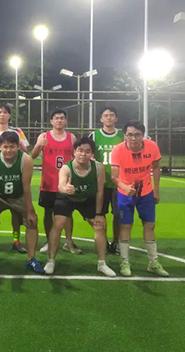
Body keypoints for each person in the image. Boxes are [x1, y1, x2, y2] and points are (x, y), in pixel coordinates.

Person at [43, 137, 116, 277]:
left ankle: (102, 263)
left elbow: (100, 192)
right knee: (58, 223)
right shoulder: (66, 168)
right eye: (80, 150)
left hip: (87, 198)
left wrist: (99, 214)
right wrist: (66, 189)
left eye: (87, 151)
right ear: (74, 152)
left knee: (100, 225)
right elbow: (60, 185)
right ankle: (51, 260)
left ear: (92, 154)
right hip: (67, 198)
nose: (83, 154)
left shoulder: (98, 167)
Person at [111, 120, 168, 277]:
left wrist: (156, 190)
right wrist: (125, 187)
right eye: (130, 135)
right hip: (125, 194)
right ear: (125, 135)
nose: (133, 138)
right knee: (125, 226)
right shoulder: (118, 150)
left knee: (150, 225)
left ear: (143, 135)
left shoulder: (152, 147)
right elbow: (114, 177)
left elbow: (156, 168)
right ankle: (124, 262)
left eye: (137, 135)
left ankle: (153, 263)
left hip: (146, 193)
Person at [0, 131, 44, 274]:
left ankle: (31, 259)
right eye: (5, 147)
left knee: (32, 222)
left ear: (18, 146)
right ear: (0, 147)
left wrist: (30, 210)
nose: (8, 150)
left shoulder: (26, 160)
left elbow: (26, 187)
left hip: (18, 195)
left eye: (12, 146)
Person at [31, 109, 81, 255]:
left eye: (62, 118)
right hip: (48, 182)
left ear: (65, 121)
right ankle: (49, 240)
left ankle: (68, 241)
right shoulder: (44, 136)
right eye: (56, 118)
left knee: (68, 213)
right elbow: (32, 156)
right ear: (51, 121)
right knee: (48, 213)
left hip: (65, 183)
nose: (59, 120)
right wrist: (39, 145)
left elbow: (76, 158)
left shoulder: (71, 138)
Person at [0, 104, 29, 253]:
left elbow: (26, 151)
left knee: (16, 211)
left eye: (5, 112)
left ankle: (16, 240)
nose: (2, 115)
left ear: (9, 115)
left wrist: (20, 143)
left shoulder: (17, 132)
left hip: (13, 171)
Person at [89, 106, 124, 255]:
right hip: (101, 183)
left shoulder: (123, 135)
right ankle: (103, 241)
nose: (109, 117)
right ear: (101, 119)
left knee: (118, 214)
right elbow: (88, 154)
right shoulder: (94, 135)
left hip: (119, 182)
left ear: (116, 118)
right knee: (100, 214)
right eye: (106, 115)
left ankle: (116, 241)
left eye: (112, 115)